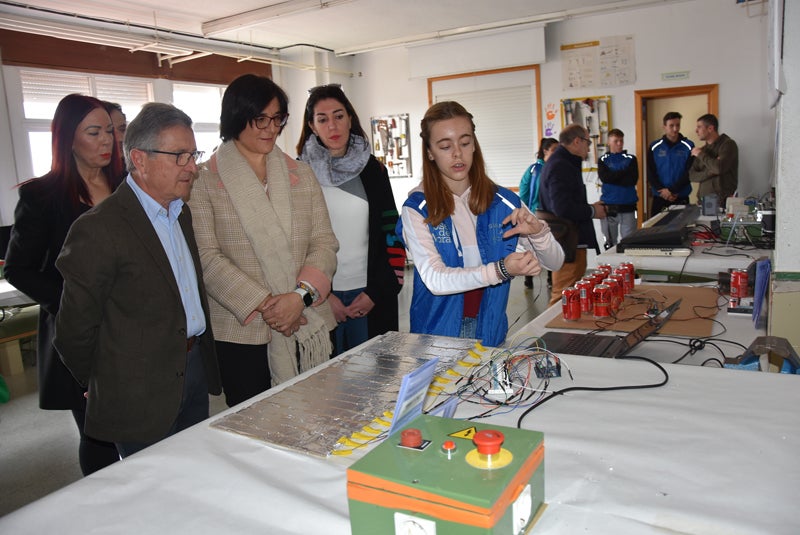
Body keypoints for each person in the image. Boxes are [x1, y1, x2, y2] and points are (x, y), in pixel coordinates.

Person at [54, 102, 222, 458]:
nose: (192, 167)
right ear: (140, 160)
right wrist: (104, 380)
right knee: (154, 492)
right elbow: (73, 331)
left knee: (194, 474)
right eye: (179, 156)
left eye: (193, 154)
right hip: (138, 387)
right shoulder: (99, 228)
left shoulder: (180, 212)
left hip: (191, 370)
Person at [189, 74, 338, 407]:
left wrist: (298, 298)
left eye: (277, 119)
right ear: (236, 118)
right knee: (255, 422)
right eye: (260, 119)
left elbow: (324, 242)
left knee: (319, 411)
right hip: (243, 329)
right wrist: (271, 306)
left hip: (306, 316)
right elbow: (207, 257)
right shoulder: (202, 180)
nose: (271, 128)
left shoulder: (301, 174)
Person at [4, 93, 123, 475]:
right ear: (67, 137)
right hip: (81, 332)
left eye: (110, 131)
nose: (106, 140)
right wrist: (78, 303)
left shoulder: (128, 185)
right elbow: (19, 270)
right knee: (98, 434)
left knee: (145, 423)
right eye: (94, 132)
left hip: (132, 324)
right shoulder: (42, 196)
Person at [396, 101, 563, 347]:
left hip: (491, 333)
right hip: (437, 340)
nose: (457, 154)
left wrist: (538, 234)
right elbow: (435, 279)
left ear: (474, 144)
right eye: (445, 146)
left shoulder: (504, 202)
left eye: (465, 143)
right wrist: (501, 270)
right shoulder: (417, 208)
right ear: (430, 152)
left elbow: (555, 261)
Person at [297, 84, 405, 356]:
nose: (332, 126)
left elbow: (392, 233)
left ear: (350, 118)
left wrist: (375, 294)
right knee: (327, 386)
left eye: (339, 116)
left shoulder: (373, 170)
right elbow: (293, 244)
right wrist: (321, 297)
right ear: (312, 125)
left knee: (373, 382)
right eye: (323, 119)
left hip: (368, 295)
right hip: (320, 297)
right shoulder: (298, 174)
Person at [538, 124, 607, 305]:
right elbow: (562, 208)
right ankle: (553, 332)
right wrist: (592, 211)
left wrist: (591, 207)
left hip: (571, 240)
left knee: (571, 292)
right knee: (563, 295)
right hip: (566, 242)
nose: (589, 148)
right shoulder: (560, 165)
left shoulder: (564, 163)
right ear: (577, 141)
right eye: (587, 143)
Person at [519, 137, 558, 289]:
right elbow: (524, 191)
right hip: (537, 213)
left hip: (551, 215)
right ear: (545, 151)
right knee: (533, 247)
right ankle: (529, 279)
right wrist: (526, 212)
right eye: (554, 150)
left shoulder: (553, 168)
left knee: (549, 247)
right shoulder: (534, 169)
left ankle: (550, 278)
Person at [647, 111, 694, 214]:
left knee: (682, 229)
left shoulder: (689, 146)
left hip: (680, 196)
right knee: (658, 229)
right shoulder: (654, 146)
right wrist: (663, 191)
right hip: (660, 197)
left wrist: (673, 190)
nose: (675, 129)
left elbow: (690, 172)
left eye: (677, 125)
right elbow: (650, 172)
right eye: (671, 125)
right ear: (664, 127)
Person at [598, 128, 638, 248]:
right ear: (609, 142)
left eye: (621, 141)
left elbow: (632, 180)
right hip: (609, 207)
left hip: (628, 206)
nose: (619, 144)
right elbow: (605, 178)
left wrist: (614, 176)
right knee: (610, 243)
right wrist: (623, 173)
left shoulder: (631, 159)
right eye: (616, 141)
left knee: (629, 243)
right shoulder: (603, 160)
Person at [689, 113, 739, 202]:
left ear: (710, 128)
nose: (696, 131)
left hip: (722, 202)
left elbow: (719, 168)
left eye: (699, 127)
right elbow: (692, 175)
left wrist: (700, 155)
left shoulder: (728, 144)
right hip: (703, 202)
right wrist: (710, 172)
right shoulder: (702, 150)